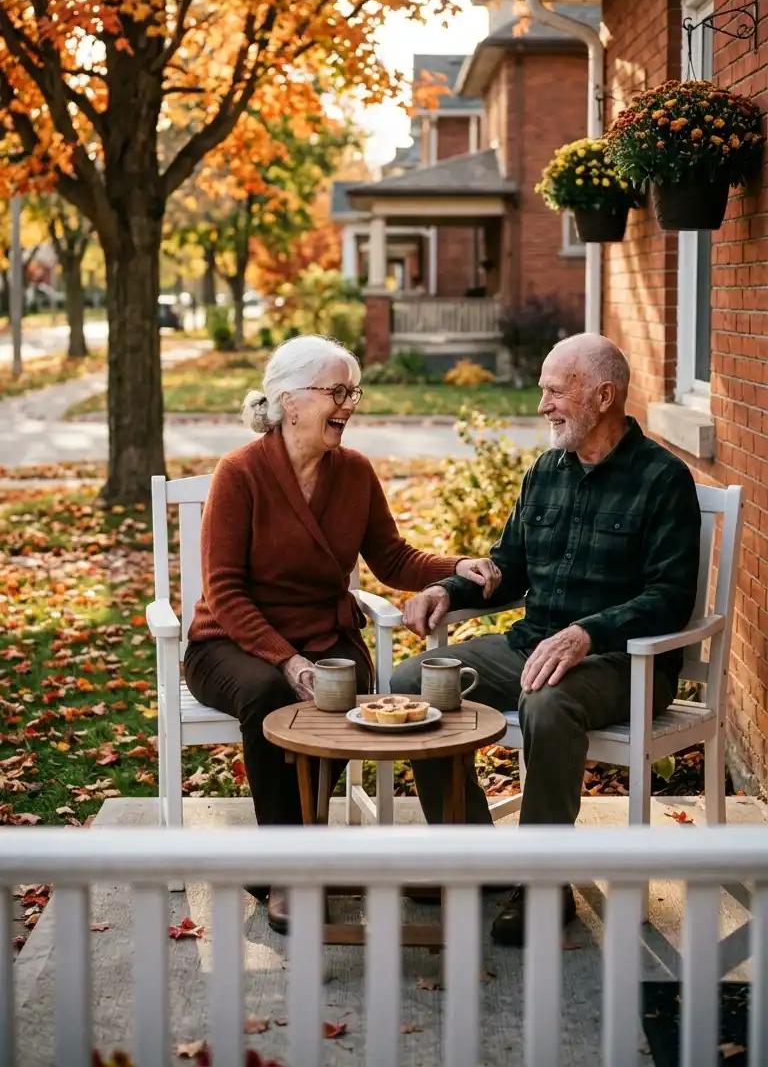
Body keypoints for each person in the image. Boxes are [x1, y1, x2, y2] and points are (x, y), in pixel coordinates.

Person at [391, 332, 701, 946]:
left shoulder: (663, 479)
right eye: (543, 391)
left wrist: (588, 632)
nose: (543, 406)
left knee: (548, 703)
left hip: (623, 663)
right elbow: (508, 568)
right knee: (416, 682)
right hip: (531, 646)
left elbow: (669, 598)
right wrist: (447, 590)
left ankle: (542, 881)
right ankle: (472, 856)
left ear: (604, 396)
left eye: (555, 392)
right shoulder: (545, 471)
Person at [184, 334, 499, 933]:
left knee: (336, 692)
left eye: (353, 392)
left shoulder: (353, 472)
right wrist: (287, 660)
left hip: (321, 633)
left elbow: (392, 557)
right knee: (270, 694)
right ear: (290, 400)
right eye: (337, 391)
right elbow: (224, 592)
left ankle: (300, 856)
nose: (349, 404)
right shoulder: (240, 473)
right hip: (230, 641)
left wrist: (456, 565)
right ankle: (288, 872)